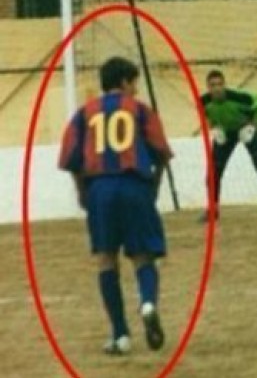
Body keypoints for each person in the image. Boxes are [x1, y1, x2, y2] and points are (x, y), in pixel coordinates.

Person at [58, 57, 171, 355]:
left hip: (100, 189)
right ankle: (148, 304)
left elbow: (71, 160)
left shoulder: (84, 113)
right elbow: (161, 153)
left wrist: (82, 193)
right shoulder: (141, 111)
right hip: (135, 186)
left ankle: (120, 335)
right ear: (123, 82)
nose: (136, 89)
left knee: (106, 259)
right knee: (143, 256)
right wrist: (154, 187)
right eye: (134, 83)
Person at [200, 70, 257, 221]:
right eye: (213, 85)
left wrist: (253, 124)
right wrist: (213, 127)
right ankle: (213, 211)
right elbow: (203, 114)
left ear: (224, 85)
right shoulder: (203, 102)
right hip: (226, 132)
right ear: (208, 87)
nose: (217, 88)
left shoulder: (238, 97)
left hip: (247, 127)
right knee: (213, 171)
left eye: (220, 84)